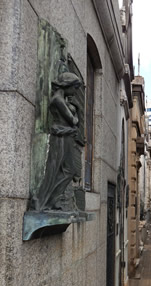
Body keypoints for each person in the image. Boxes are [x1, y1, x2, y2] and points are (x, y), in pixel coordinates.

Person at [31, 71, 84, 211]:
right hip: (60, 137)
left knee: (68, 170)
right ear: (67, 85)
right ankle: (42, 201)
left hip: (65, 137)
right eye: (74, 88)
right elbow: (73, 121)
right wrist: (76, 110)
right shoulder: (58, 100)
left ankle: (51, 200)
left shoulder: (62, 100)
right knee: (54, 170)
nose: (75, 91)